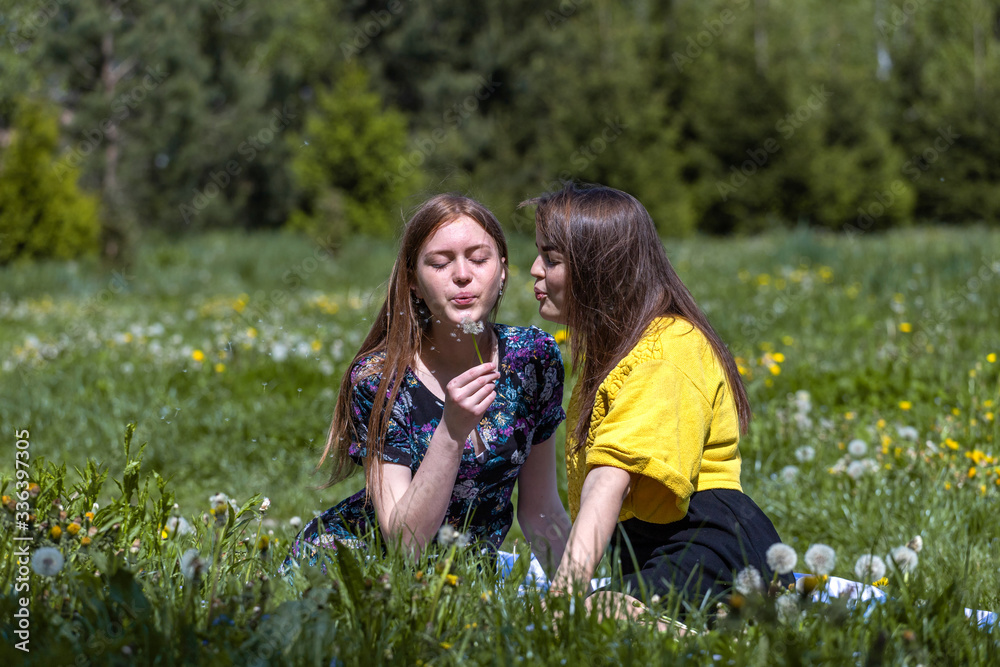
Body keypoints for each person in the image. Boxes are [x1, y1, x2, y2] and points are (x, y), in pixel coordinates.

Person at [522, 183, 792, 615]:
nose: (535, 269)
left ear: (599, 268)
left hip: (714, 546)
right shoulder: (617, 351)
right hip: (662, 549)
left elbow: (610, 480)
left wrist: (562, 600)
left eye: (552, 259)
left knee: (595, 616)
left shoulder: (665, 351)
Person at [282, 194, 571, 576]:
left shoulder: (533, 358)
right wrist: (451, 431)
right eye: (439, 262)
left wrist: (580, 595)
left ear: (502, 271)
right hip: (359, 570)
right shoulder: (380, 381)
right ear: (413, 283)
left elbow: (540, 508)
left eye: (479, 259)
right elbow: (405, 543)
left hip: (462, 577)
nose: (462, 275)